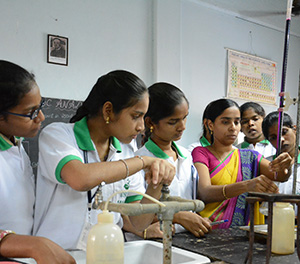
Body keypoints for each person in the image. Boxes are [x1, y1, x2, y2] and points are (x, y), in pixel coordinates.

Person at [33, 70, 175, 249]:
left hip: (106, 257)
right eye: (135, 116)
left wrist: (157, 181)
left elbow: (138, 222)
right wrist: (144, 161)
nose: (141, 127)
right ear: (108, 110)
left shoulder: (126, 150)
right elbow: (80, 179)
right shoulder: (58, 135)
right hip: (57, 258)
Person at [0, 60, 80, 264]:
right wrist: (33, 244)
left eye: (40, 106)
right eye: (30, 112)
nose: (41, 117)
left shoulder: (16, 145)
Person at [192, 98, 293, 228]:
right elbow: (204, 192)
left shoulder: (249, 156)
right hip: (209, 227)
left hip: (242, 232)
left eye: (237, 122)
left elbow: (280, 176)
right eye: (225, 122)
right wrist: (246, 186)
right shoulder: (201, 153)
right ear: (210, 125)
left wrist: (285, 166)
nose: (233, 128)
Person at [133, 82, 211, 239]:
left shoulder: (187, 156)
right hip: (155, 241)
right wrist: (178, 216)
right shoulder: (139, 161)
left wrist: (197, 219)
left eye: (184, 118)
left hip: (187, 238)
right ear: (150, 123)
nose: (182, 126)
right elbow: (134, 213)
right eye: (173, 122)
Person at [262, 111, 300, 195]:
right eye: (273, 137)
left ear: (295, 130)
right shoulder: (266, 165)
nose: (281, 140)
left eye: (284, 132)